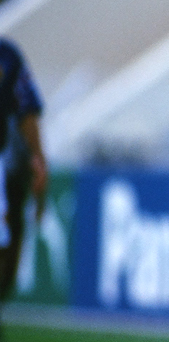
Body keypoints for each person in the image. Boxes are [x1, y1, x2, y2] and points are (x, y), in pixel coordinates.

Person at [0, 37, 47, 335]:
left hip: (4, 167)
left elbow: (27, 111)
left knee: (7, 245)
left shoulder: (7, 56)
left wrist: (39, 160)